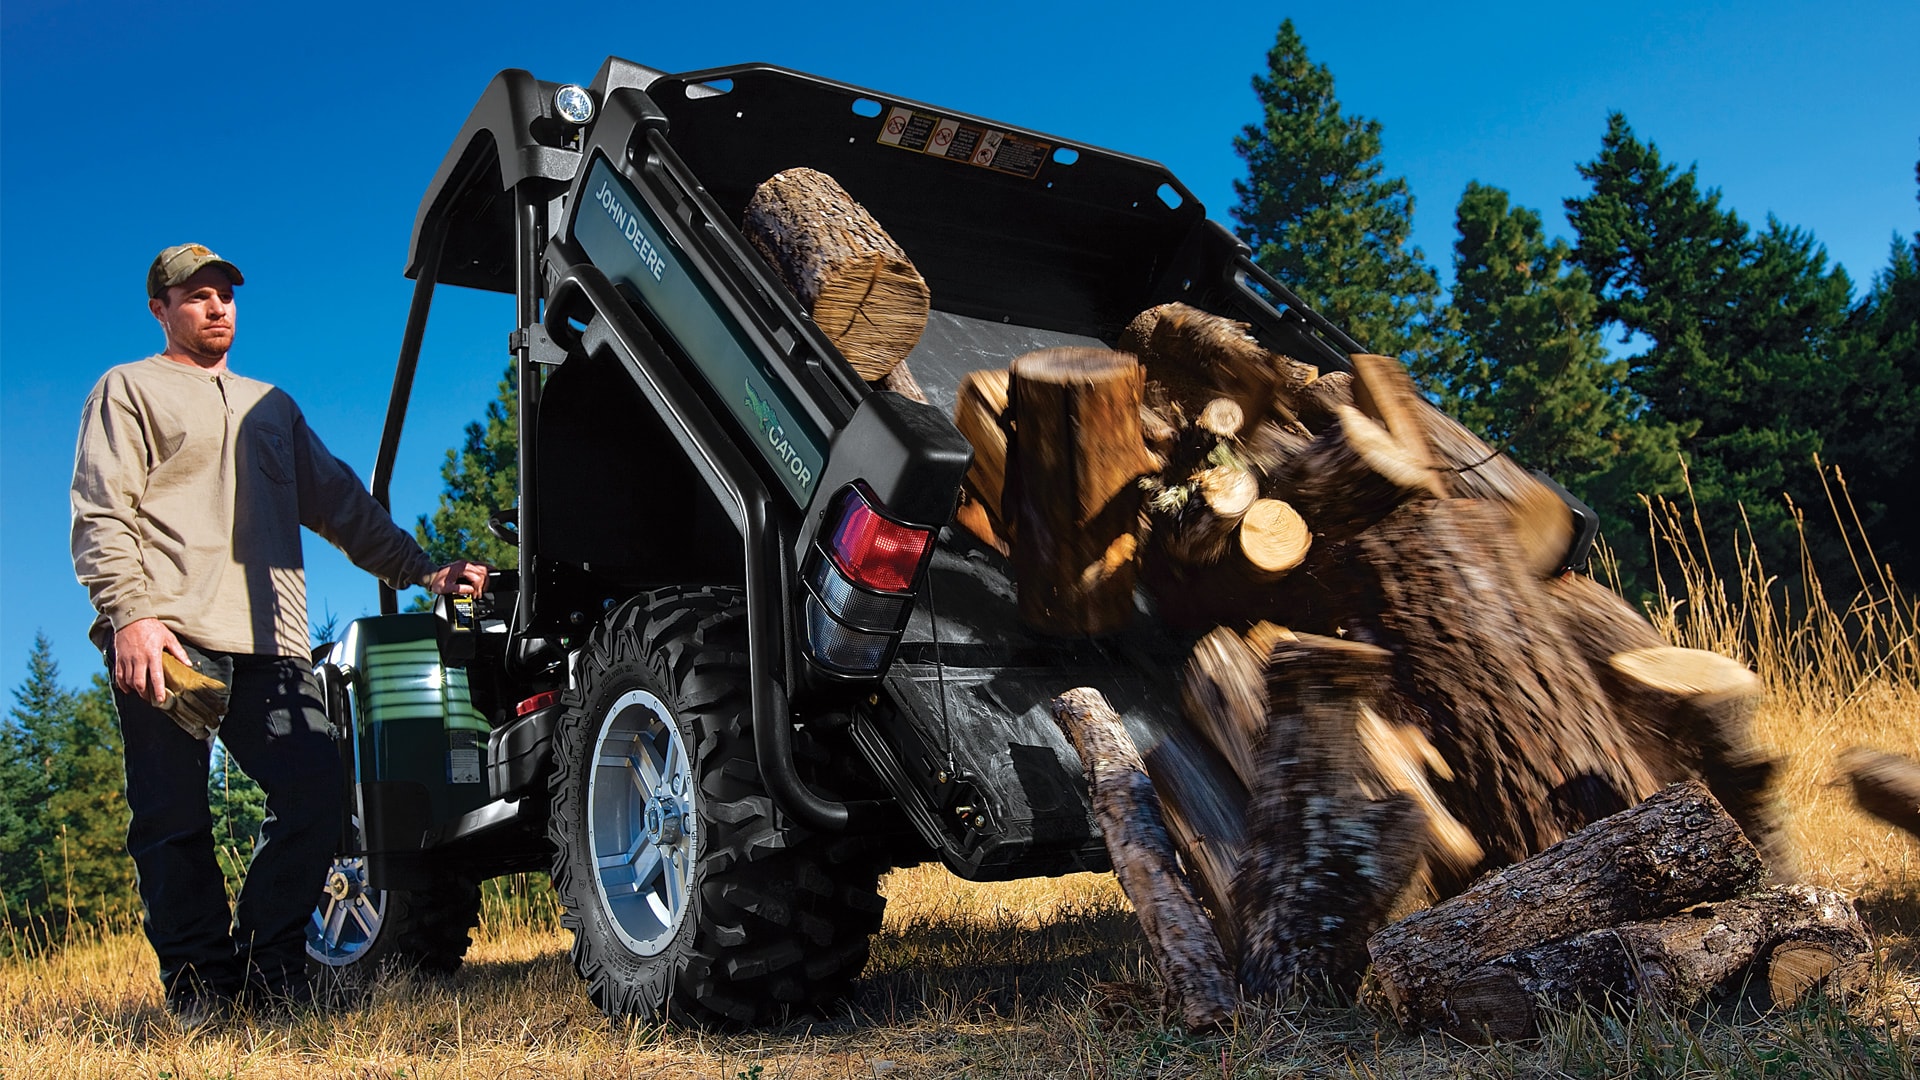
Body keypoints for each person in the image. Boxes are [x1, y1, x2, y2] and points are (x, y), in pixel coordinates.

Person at [69, 243, 487, 1023]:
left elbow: (343, 507)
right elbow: (101, 511)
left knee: (318, 797)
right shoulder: (127, 389)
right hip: (169, 637)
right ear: (160, 309)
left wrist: (425, 570)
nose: (216, 306)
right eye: (195, 296)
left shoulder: (272, 406)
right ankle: (201, 988)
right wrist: (130, 614)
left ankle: (269, 968)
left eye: (225, 293)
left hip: (270, 646)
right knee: (173, 818)